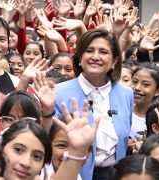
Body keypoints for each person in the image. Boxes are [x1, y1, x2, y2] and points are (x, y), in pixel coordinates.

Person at [55, 29, 133, 180]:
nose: (95, 57)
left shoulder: (126, 93)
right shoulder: (59, 92)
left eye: (103, 52)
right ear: (79, 57)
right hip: (74, 173)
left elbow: (124, 136)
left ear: (115, 61)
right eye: (89, 51)